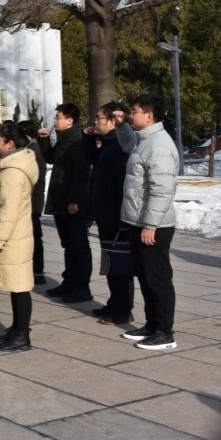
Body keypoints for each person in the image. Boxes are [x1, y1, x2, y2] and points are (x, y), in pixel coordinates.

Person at [116, 94, 180, 350]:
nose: (131, 115)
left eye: (134, 111)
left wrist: (150, 225)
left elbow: (162, 190)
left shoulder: (159, 146)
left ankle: (165, 333)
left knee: (157, 279)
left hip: (154, 226)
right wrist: (121, 126)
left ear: (149, 116)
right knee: (145, 277)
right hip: (139, 221)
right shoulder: (145, 140)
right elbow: (128, 145)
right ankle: (152, 325)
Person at [0, 123, 39, 351]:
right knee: (15, 286)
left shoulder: (13, 173)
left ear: (10, 144)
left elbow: (10, 209)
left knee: (20, 287)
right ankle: (16, 328)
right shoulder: (9, 167)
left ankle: (22, 335)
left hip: (13, 238)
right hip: (14, 237)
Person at [38, 103, 93, 303]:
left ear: (70, 120)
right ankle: (69, 282)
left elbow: (81, 173)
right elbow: (51, 158)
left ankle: (82, 287)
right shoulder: (64, 138)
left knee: (78, 245)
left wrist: (74, 200)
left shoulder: (77, 140)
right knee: (69, 244)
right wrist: (44, 140)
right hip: (62, 199)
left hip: (72, 202)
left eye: (58, 117)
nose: (55, 121)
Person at [84, 102, 133, 325]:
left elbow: (122, 185)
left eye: (99, 118)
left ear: (113, 121)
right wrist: (88, 138)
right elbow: (91, 161)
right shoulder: (107, 143)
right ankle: (115, 304)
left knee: (120, 265)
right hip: (105, 213)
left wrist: (123, 216)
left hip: (116, 215)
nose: (96, 122)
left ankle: (123, 310)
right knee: (111, 264)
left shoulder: (120, 147)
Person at [18, 120, 47, 284]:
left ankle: (38, 271)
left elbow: (37, 178)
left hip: (32, 200)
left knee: (35, 236)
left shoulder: (34, 150)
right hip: (30, 199)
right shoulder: (29, 148)